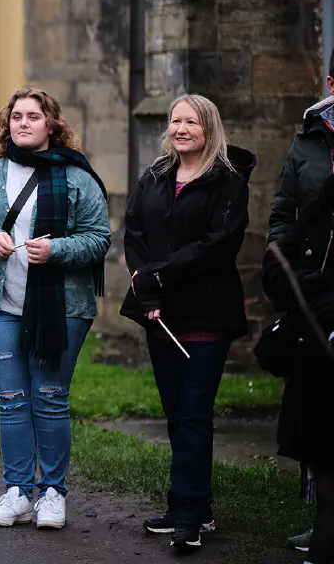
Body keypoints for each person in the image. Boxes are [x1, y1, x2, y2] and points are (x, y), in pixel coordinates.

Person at [0, 87, 110, 531]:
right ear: (8, 124)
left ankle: (53, 492)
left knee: (50, 397)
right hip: (1, 305)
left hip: (62, 308)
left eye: (34, 116)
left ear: (51, 125)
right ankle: (18, 492)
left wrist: (57, 249)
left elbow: (99, 238)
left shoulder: (77, 177)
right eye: (17, 116)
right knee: (11, 400)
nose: (23, 123)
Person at [121, 94, 254, 552]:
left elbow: (217, 246)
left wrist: (159, 275)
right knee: (177, 414)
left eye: (191, 122)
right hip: (161, 314)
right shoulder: (156, 175)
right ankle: (186, 504)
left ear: (209, 128)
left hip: (206, 313)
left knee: (195, 413)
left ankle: (192, 515)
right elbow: (134, 232)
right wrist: (148, 290)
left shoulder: (228, 180)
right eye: (175, 121)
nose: (180, 129)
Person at [269, 49, 334, 554]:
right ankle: (326, 522)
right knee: (320, 418)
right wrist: (284, 270)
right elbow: (284, 212)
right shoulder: (310, 136)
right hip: (318, 297)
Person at [263, 165, 334, 564]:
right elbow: (277, 262)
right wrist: (308, 287)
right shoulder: (322, 206)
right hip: (317, 360)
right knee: (326, 474)